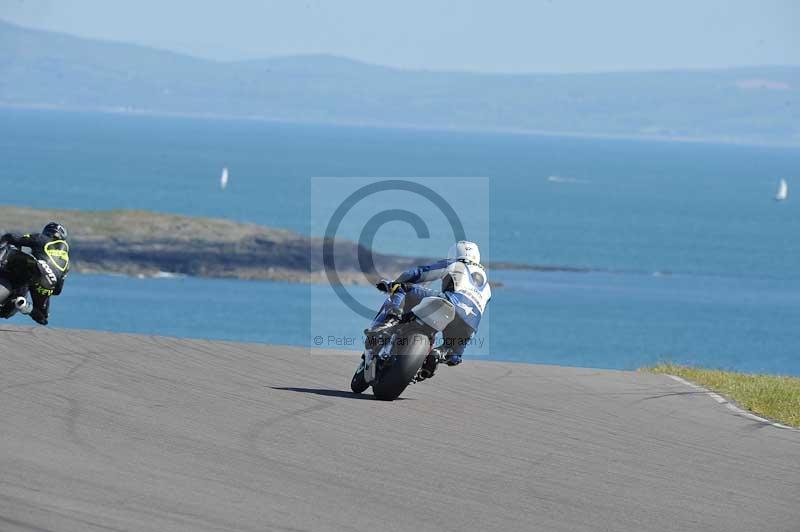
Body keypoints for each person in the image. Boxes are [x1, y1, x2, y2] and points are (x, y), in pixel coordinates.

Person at [365, 240, 491, 379]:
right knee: (453, 355)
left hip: (450, 303)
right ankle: (436, 356)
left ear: (454, 253)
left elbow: (418, 273)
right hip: (470, 326)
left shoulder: (455, 264)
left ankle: (389, 321)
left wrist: (393, 284)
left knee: (402, 289)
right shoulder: (487, 287)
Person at [0, 222, 70, 325]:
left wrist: (5, 239)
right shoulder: (66, 261)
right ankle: (24, 306)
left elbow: (15, 239)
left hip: (32, 267)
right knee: (42, 317)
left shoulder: (41, 238)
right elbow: (57, 290)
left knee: (9, 242)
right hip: (46, 283)